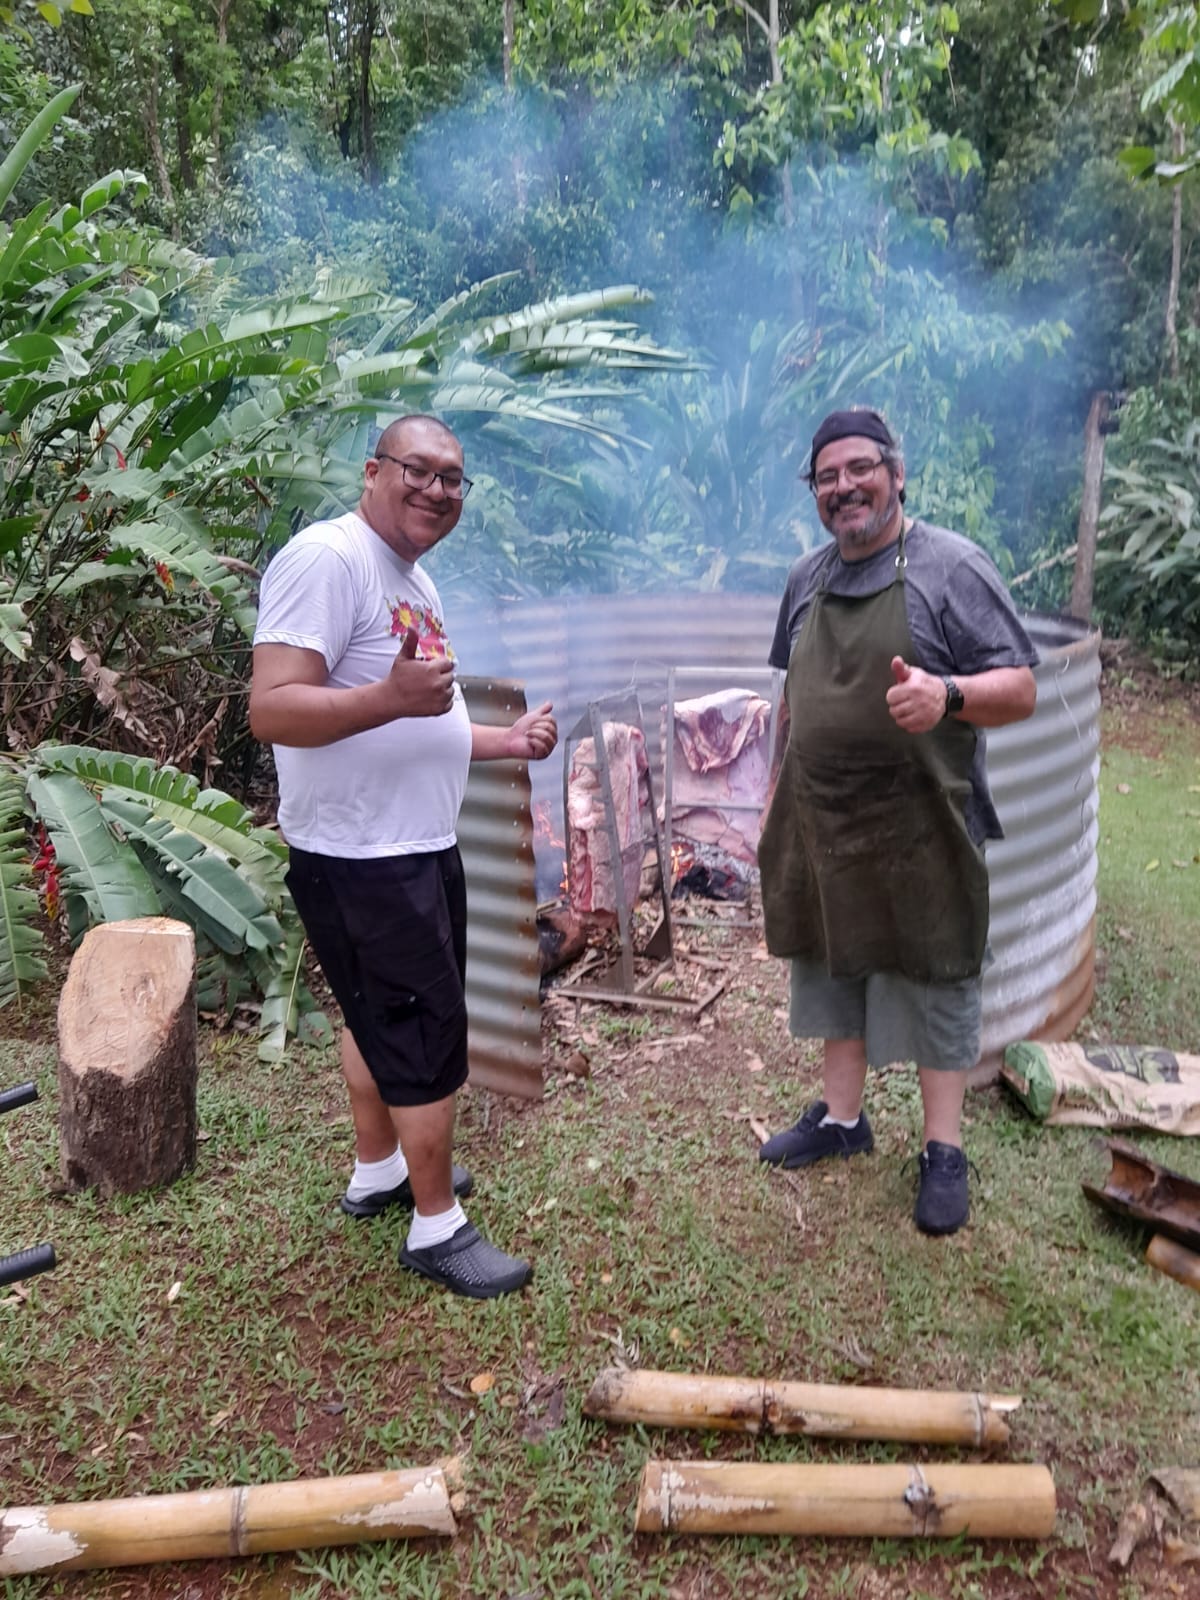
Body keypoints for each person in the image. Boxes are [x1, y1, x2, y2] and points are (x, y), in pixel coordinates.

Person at [249, 413, 557, 1298]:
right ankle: (437, 1227)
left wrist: (504, 743)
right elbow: (273, 708)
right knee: (422, 1030)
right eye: (417, 470)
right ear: (373, 471)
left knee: (377, 1014)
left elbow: (427, 720)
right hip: (366, 854)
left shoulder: (412, 579)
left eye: (452, 479)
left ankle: (380, 1169)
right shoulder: (329, 559)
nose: (436, 489)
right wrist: (387, 696)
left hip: (410, 843)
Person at [755, 407, 1038, 1235]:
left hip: (923, 826)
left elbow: (1020, 688)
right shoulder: (805, 578)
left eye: (859, 469)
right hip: (823, 818)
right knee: (830, 960)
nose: (843, 487)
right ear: (814, 491)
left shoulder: (953, 567)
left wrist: (946, 694)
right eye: (826, 476)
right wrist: (773, 791)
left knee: (937, 969)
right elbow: (790, 695)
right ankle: (843, 1120)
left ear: (896, 473)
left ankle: (943, 1149)